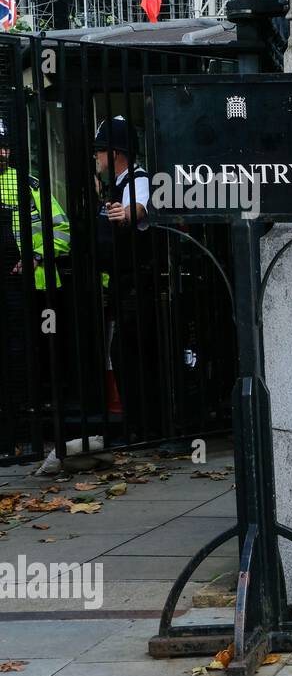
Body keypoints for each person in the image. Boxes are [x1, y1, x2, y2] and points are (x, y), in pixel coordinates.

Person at [0, 123, 70, 454]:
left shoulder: (28, 185)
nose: (3, 152)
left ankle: (34, 430)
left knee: (35, 356)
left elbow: (64, 231)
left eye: (5, 145)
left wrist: (37, 256)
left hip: (35, 286)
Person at [94, 116, 159, 442]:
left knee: (131, 353)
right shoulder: (118, 183)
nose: (96, 158)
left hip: (138, 285)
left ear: (114, 151)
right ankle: (140, 427)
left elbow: (141, 206)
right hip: (124, 285)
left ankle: (143, 429)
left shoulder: (137, 179)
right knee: (127, 352)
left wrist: (126, 213)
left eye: (98, 151)